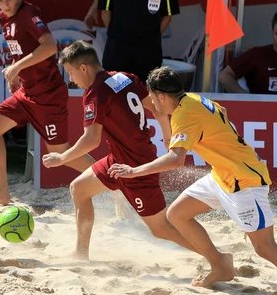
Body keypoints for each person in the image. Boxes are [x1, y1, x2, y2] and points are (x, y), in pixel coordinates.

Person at [108, 66, 277, 295]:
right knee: (177, 214)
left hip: (244, 179)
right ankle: (220, 265)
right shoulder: (191, 100)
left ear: (161, 96)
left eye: (152, 98)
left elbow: (176, 160)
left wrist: (134, 171)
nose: (151, 104)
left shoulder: (184, 114)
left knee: (265, 247)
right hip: (221, 175)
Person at [42, 41, 199, 259]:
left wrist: (62, 157)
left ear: (84, 68)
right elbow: (157, 108)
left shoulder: (95, 93)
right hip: (119, 161)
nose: (70, 79)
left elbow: (91, 141)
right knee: (78, 189)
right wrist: (166, 136)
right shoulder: (125, 77)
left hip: (136, 167)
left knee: (161, 228)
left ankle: (213, 255)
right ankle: (80, 253)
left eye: (70, 72)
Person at [0, 0, 95, 214]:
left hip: (48, 95)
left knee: (60, 152)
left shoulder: (29, 13)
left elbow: (49, 47)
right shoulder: (4, 18)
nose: (5, 4)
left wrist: (16, 67)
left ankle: (109, 180)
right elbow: (20, 51)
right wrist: (17, 74)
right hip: (27, 92)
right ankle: (1, 191)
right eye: (0, 0)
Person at [95, 0, 180, 83]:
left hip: (149, 51)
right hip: (117, 48)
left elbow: (168, 15)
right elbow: (105, 10)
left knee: (148, 93)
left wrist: (152, 36)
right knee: (113, 92)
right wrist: (117, 34)